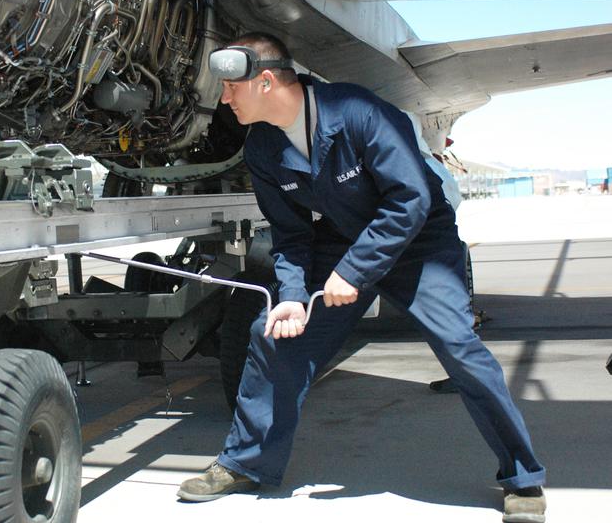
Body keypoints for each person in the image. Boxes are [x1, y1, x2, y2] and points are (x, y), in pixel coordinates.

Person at [176, 32, 546, 523]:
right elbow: (290, 234)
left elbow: (410, 198)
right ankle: (245, 462)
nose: (223, 98)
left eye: (231, 87)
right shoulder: (262, 148)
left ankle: (523, 478)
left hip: (419, 243)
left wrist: (355, 270)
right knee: (270, 338)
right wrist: (289, 296)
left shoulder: (358, 112)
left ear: (265, 82)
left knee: (460, 348)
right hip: (342, 239)